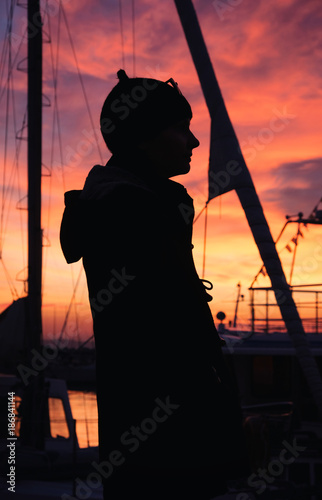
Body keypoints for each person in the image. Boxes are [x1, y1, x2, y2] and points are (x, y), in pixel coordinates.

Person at [60, 70, 249, 500]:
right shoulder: (135, 211)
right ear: (145, 136)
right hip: (170, 453)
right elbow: (175, 339)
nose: (194, 142)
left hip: (148, 445)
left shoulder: (134, 205)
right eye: (182, 129)